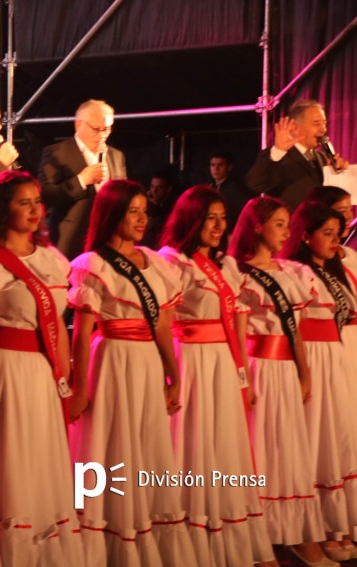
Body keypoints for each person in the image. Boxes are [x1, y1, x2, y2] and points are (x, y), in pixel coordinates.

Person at [67, 179, 196, 566]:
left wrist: (172, 375)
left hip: (145, 362)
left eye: (144, 211)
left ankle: (144, 535)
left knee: (146, 446)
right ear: (112, 214)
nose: (142, 219)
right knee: (109, 446)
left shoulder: (155, 262)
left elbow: (162, 326)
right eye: (133, 212)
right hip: (112, 361)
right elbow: (82, 331)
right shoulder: (94, 263)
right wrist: (80, 387)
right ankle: (105, 538)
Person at [158, 186, 277, 567]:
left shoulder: (226, 265)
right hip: (190, 360)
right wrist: (170, 374)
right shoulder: (173, 261)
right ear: (191, 218)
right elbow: (163, 321)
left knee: (222, 445)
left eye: (223, 218)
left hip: (222, 365)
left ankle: (227, 541)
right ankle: (189, 540)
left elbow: (239, 326)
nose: (218, 225)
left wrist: (243, 376)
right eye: (210, 217)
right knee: (191, 447)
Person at [0, 171, 86, 566]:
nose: (35, 210)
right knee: (15, 459)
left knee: (44, 456)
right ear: (2, 209)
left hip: (44, 372)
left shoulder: (53, 260)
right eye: (24, 202)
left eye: (37, 201)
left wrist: (67, 375)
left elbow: (59, 326)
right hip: (7, 370)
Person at [227, 196, 332, 566]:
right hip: (260, 368)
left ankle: (295, 533)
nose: (287, 232)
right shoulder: (238, 273)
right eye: (279, 224)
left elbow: (297, 332)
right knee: (263, 450)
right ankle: (263, 536)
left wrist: (305, 373)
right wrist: (244, 380)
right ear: (257, 225)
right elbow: (238, 335)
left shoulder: (291, 272)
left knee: (290, 448)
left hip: (286, 369)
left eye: (289, 224)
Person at [278, 202, 357, 562]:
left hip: (335, 357)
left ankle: (334, 525)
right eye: (326, 233)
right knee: (312, 439)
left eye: (337, 234)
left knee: (335, 439)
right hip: (311, 355)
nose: (334, 240)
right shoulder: (294, 271)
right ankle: (308, 529)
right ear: (305, 235)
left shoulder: (339, 269)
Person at [38, 99, 127, 260]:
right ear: (78, 124)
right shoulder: (57, 153)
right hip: (71, 242)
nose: (101, 135)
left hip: (109, 240)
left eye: (106, 129)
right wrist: (81, 180)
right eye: (96, 129)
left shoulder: (116, 156)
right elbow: (46, 196)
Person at [246, 100, 350, 211]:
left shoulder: (324, 158)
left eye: (324, 123)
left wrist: (339, 175)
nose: (323, 129)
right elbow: (255, 183)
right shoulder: (278, 156)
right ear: (295, 127)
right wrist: (278, 150)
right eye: (316, 124)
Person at [209, 150, 252, 231]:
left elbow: (249, 211)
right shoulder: (210, 187)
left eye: (220, 165)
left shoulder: (235, 189)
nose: (216, 169)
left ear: (229, 167)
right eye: (213, 165)